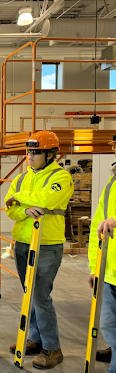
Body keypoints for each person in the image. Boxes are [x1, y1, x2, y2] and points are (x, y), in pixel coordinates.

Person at [5, 130, 73, 369]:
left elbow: (45, 200)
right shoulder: (22, 178)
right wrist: (22, 209)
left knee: (40, 297)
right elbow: (10, 207)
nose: (30, 156)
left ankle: (53, 348)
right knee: (29, 293)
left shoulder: (61, 177)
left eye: (36, 152)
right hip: (23, 243)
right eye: (29, 151)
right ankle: (34, 338)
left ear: (51, 154)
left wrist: (19, 199)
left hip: (47, 244)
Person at [87, 135, 116, 373]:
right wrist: (94, 267)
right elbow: (97, 227)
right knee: (109, 325)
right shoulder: (111, 185)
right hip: (110, 272)